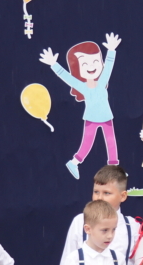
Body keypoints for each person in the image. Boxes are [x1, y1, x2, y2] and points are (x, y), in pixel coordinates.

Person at [40, 33, 121, 179]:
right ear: (78, 69)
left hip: (106, 116)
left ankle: (114, 169)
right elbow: (67, 77)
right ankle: (74, 162)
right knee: (87, 144)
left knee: (111, 141)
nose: (91, 66)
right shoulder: (82, 86)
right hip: (91, 118)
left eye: (95, 61)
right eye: (85, 64)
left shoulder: (102, 81)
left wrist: (111, 50)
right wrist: (53, 64)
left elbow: (108, 68)